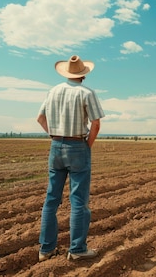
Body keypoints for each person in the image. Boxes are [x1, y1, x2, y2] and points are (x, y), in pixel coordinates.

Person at [36, 55, 105, 262]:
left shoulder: (53, 91)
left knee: (51, 200)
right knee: (78, 202)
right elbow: (96, 124)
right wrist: (86, 145)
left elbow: (40, 118)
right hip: (77, 146)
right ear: (83, 74)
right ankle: (77, 249)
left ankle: (45, 250)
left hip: (56, 146)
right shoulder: (87, 93)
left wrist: (55, 135)